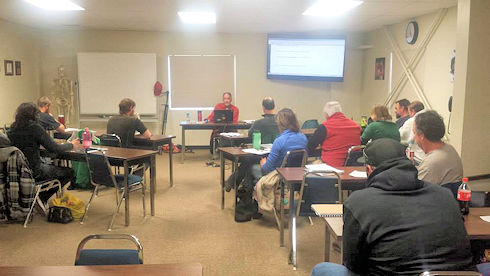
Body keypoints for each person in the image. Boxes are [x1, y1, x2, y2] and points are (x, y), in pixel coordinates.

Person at [311, 138, 474, 276]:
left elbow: (353, 264)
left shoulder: (358, 203)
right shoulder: (445, 195)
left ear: (369, 170)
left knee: (322, 269)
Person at [236, 108, 307, 222]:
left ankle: (248, 205)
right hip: (296, 175)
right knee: (250, 168)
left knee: (251, 168)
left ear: (281, 123)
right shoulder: (302, 138)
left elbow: (266, 169)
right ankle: (252, 205)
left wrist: (263, 163)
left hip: (278, 176)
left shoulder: (280, 141)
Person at [8, 103, 78, 205]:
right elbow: (55, 148)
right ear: (34, 115)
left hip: (16, 171)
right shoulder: (34, 128)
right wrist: (71, 145)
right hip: (34, 170)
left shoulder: (11, 129)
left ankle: (38, 198)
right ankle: (42, 197)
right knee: (69, 172)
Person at [224, 97, 278, 192]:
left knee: (248, 161)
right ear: (274, 106)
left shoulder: (259, 123)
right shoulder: (280, 122)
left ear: (263, 108)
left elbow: (250, 135)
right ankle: (236, 183)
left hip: (263, 156)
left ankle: (234, 182)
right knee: (249, 162)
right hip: (277, 155)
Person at [413, 110, 463, 185]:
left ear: (421, 136)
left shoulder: (431, 163)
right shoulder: (449, 148)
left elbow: (414, 190)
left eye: (414, 133)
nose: (414, 137)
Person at [307, 101, 361, 167]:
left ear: (327, 115)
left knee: (309, 166)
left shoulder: (324, 127)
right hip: (355, 167)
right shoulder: (356, 126)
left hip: (332, 168)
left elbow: (310, 146)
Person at [399, 101, 425, 165]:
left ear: (413, 111)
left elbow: (401, 136)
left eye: (409, 112)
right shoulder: (430, 118)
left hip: (418, 158)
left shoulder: (412, 121)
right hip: (429, 156)